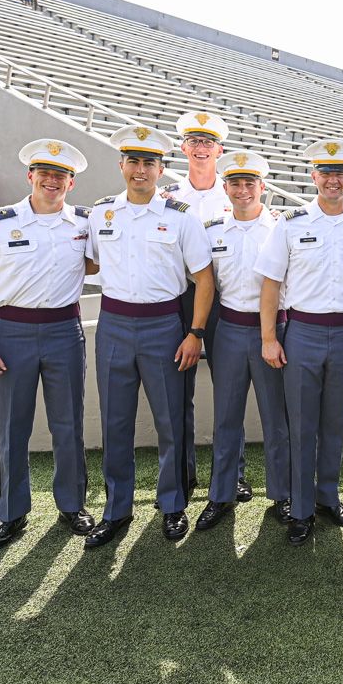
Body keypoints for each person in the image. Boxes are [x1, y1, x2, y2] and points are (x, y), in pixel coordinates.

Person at [0, 140, 95, 552]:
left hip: (65, 330)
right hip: (12, 331)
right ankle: (11, 514)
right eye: (44, 173)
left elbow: (100, 261)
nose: (52, 181)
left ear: (71, 182)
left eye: (61, 175)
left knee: (68, 424)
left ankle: (72, 504)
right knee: (12, 428)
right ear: (29, 176)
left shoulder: (83, 223)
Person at [83, 125, 215, 549]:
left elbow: (203, 278)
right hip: (114, 325)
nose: (141, 170)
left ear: (161, 169)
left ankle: (173, 504)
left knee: (171, 422)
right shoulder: (100, 214)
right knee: (115, 422)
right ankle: (116, 509)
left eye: (149, 163)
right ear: (121, 165)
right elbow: (85, 264)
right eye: (133, 161)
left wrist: (195, 333)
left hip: (164, 326)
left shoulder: (181, 216)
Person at [256, 139, 343, 546]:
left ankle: (328, 497)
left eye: (339, 173)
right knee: (302, 426)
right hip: (302, 332)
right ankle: (301, 509)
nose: (332, 180)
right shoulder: (289, 223)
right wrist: (269, 338)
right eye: (325, 173)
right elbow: (271, 283)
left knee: (333, 425)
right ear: (314, 177)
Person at [194, 151, 293, 530]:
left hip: (275, 332)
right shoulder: (212, 230)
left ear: (263, 188)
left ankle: (282, 494)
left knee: (276, 419)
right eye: (235, 183)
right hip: (229, 332)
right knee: (226, 418)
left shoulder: (281, 228)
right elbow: (202, 282)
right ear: (225, 188)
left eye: (249, 183)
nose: (242, 190)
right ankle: (221, 495)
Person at [162, 111, 233, 504]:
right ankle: (183, 476)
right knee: (178, 389)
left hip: (227, 298)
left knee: (230, 390)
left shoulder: (237, 192)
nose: (201, 148)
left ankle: (232, 474)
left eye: (208, 142)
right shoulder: (167, 196)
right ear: (183, 148)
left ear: (219, 150)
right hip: (179, 297)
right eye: (194, 142)